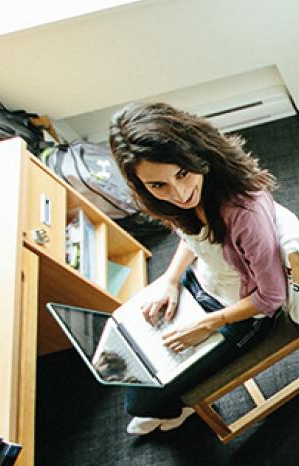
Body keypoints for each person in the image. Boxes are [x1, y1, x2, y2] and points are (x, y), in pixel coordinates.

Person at [108, 102, 289, 435]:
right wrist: (170, 279)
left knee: (141, 402)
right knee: (126, 354)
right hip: (200, 283)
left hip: (243, 313)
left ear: (197, 155)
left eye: (182, 174)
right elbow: (196, 240)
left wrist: (209, 323)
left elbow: (273, 296)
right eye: (157, 185)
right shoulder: (182, 202)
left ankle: (181, 410)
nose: (179, 194)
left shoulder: (243, 213)